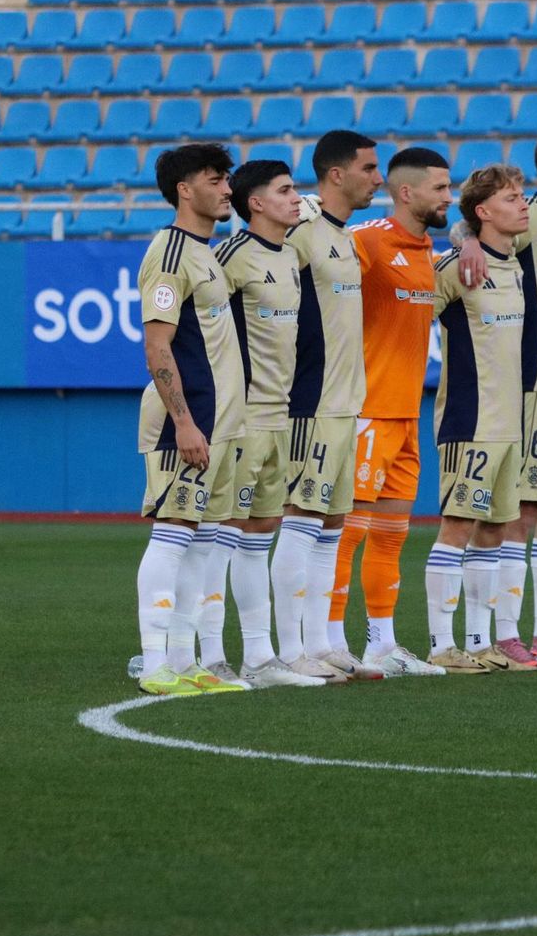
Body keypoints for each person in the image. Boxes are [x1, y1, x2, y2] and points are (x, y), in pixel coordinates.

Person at [322, 147, 454, 678]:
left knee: (391, 535)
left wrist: (463, 241)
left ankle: (382, 644)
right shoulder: (369, 241)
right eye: (441, 188)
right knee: (346, 533)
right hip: (367, 410)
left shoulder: (427, 249)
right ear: (409, 192)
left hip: (405, 412)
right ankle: (330, 642)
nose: (450, 196)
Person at [131, 143, 247, 696]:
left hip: (220, 423)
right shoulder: (170, 254)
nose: (228, 189)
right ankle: (155, 664)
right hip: (189, 423)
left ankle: (185, 661)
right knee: (173, 534)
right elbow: (157, 347)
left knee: (203, 543)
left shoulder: (207, 252)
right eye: (216, 179)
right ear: (185, 189)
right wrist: (183, 423)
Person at [207, 159, 327, 688]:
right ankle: (207, 654)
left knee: (259, 532)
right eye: (285, 190)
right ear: (255, 203)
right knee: (220, 533)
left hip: (279, 413)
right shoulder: (231, 255)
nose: (296, 198)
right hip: (244, 415)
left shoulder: (290, 255)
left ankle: (259, 657)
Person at [274, 131, 387, 681]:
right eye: (369, 168)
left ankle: (319, 643)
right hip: (310, 400)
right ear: (336, 175)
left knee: (333, 522)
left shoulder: (345, 237)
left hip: (346, 402)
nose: (378, 177)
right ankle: (288, 647)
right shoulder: (301, 228)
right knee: (300, 518)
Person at [423, 165, 537, 673]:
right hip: (469, 422)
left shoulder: (513, 263)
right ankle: (439, 644)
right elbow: (408, 316)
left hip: (508, 423)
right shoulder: (453, 267)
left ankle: (477, 641)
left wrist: (469, 236)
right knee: (456, 527)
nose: (523, 205)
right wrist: (462, 241)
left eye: (521, 197)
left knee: (494, 530)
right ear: (483, 212)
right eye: (512, 198)